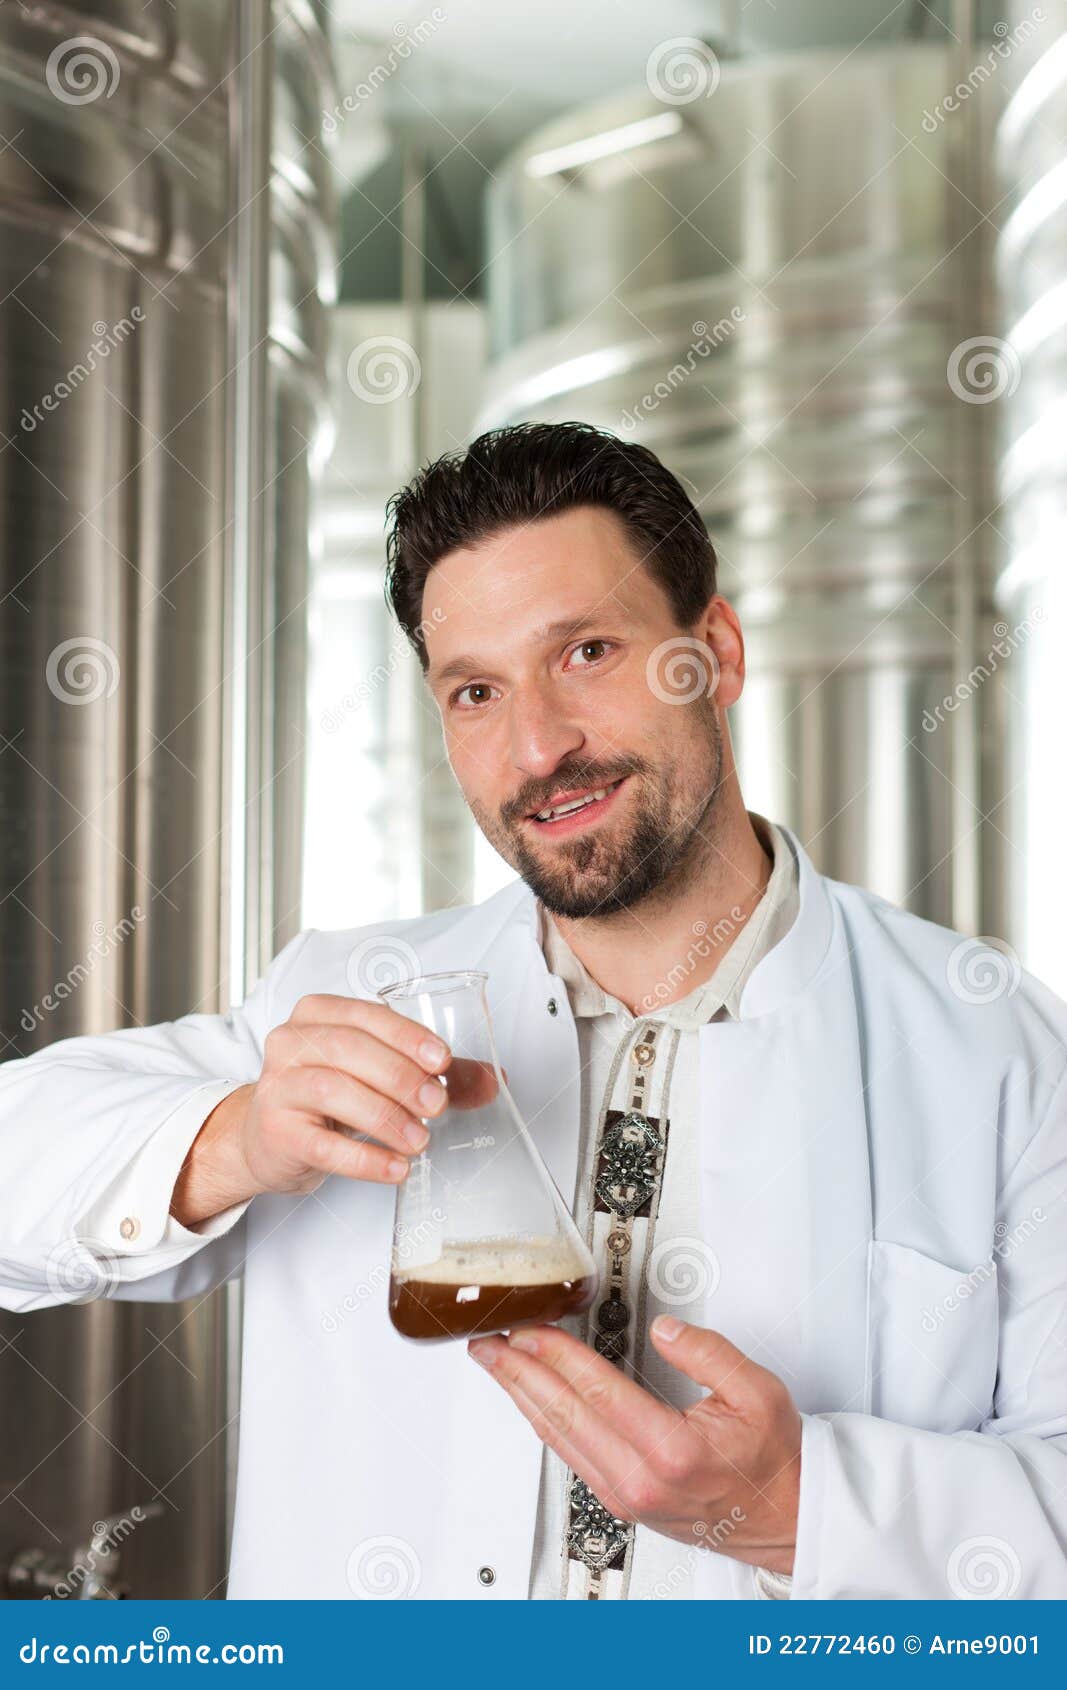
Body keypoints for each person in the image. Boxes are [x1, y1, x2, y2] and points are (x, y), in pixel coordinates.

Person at [1, 421, 1065, 1601]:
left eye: (588, 652)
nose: (537, 746)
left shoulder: (992, 1051)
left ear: (711, 649)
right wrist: (237, 1136)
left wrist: (810, 1510)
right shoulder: (352, 1003)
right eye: (474, 691)